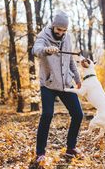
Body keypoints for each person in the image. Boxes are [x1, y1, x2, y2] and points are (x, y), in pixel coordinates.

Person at [32, 10, 83, 162]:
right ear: (53, 26)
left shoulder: (67, 38)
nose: (60, 32)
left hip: (66, 83)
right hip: (48, 84)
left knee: (78, 114)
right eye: (58, 29)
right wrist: (46, 50)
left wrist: (77, 77)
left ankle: (71, 148)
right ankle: (40, 153)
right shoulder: (44, 36)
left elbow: (70, 60)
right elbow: (36, 50)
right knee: (47, 115)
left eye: (63, 30)